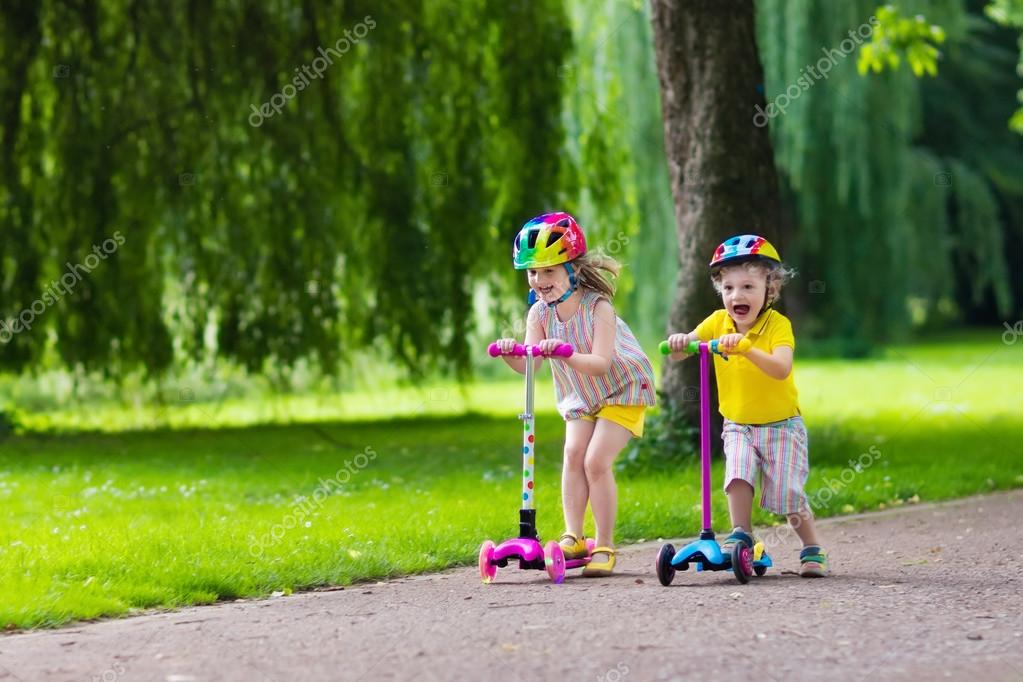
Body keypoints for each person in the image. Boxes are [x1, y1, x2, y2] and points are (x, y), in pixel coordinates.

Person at [495, 212, 655, 576]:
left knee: (596, 461)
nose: (539, 280)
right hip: (582, 394)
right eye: (532, 272)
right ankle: (573, 536)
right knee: (572, 454)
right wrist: (510, 353)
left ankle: (604, 544)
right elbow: (531, 367)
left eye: (548, 271)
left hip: (622, 388)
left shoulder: (599, 307)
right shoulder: (538, 314)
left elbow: (600, 362)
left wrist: (566, 353)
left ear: (573, 269)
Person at [666, 234, 828, 577]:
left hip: (781, 426)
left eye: (748, 287)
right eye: (728, 288)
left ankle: (812, 547)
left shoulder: (777, 326)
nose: (737, 296)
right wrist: (680, 342)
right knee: (737, 475)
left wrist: (746, 348)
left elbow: (781, 368)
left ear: (770, 289)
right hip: (738, 424)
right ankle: (743, 537)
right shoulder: (715, 322)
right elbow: (682, 351)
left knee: (787, 494)